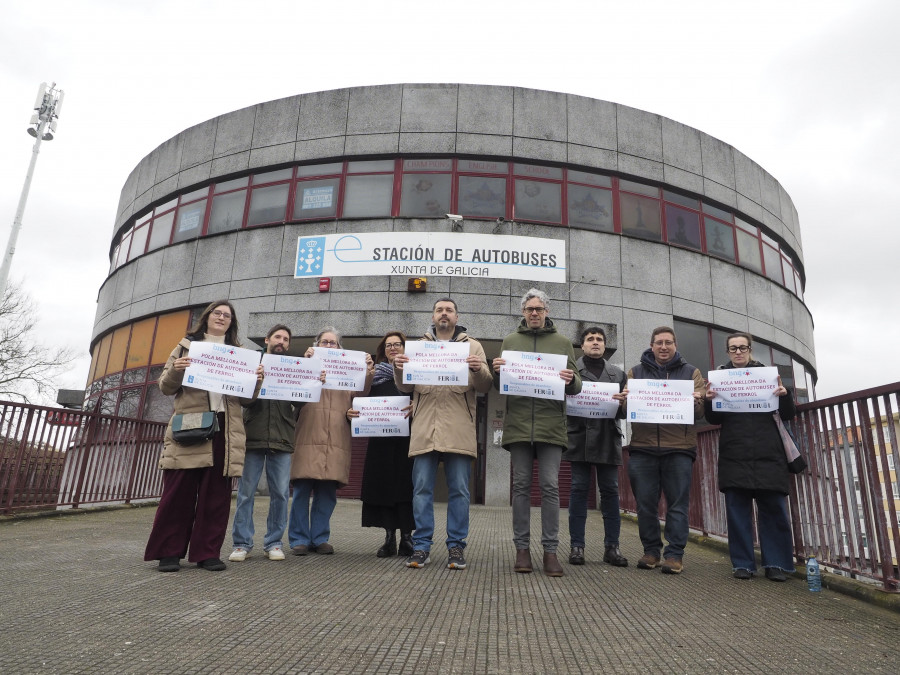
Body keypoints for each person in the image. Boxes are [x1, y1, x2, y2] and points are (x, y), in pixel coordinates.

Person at [144, 300, 261, 572]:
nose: (221, 318)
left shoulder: (240, 353)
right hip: (190, 424)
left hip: (225, 429)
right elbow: (165, 387)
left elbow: (247, 400)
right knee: (178, 493)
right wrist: (177, 370)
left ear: (231, 323)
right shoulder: (185, 346)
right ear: (207, 317)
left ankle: (207, 553)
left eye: (227, 315)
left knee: (216, 496)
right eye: (217, 313)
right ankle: (168, 553)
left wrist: (256, 380)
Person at [393, 298, 493, 570]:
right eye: (439, 310)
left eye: (449, 310)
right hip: (426, 428)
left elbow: (485, 385)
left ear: (456, 316)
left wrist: (478, 368)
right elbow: (405, 387)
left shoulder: (473, 346)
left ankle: (456, 547)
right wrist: (399, 367)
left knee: (459, 491)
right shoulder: (418, 346)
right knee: (421, 490)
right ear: (433, 316)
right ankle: (422, 546)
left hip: (458, 428)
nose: (444, 314)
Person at [492, 289, 582, 577]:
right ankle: (522, 550)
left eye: (539, 309)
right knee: (520, 487)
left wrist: (570, 379)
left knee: (550, 487)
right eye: (529, 309)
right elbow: (500, 384)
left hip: (551, 425)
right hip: (518, 425)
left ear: (547, 312)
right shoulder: (510, 341)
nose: (534, 313)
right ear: (522, 312)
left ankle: (551, 551)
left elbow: (577, 384)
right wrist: (497, 371)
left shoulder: (563, 343)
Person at [705, 332, 797, 581]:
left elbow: (788, 414)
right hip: (735, 453)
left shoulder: (768, 376)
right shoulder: (719, 379)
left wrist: (784, 394)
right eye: (733, 348)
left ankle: (776, 564)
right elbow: (714, 419)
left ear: (749, 350)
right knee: (737, 512)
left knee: (774, 510)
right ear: (727, 352)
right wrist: (708, 400)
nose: (737, 352)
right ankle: (743, 564)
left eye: (742, 347)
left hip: (768, 452)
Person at [625, 326, 704, 575]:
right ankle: (651, 552)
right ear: (651, 346)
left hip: (679, 447)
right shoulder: (635, 373)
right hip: (643, 447)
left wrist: (698, 401)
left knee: (677, 505)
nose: (663, 347)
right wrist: (626, 399)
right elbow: (625, 409)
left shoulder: (692, 373)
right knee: (645, 505)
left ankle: (674, 555)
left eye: (668, 342)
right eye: (659, 342)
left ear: (675, 345)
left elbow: (701, 414)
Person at [288, 327, 374, 555]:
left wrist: (367, 371)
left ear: (339, 347)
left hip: (336, 440)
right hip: (308, 437)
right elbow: (292, 395)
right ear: (316, 345)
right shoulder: (306, 366)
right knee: (301, 492)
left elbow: (362, 394)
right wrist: (306, 366)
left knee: (327, 494)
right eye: (324, 342)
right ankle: (298, 539)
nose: (328, 346)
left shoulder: (348, 373)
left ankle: (319, 538)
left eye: (332, 343)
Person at [229, 325, 303, 563]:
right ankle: (241, 544)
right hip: (253, 435)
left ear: (289, 345)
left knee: (281, 494)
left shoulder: (294, 368)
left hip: (282, 436)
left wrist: (314, 383)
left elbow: (299, 401)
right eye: (278, 337)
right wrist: (256, 379)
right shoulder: (252, 363)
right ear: (267, 339)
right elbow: (244, 401)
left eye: (286, 339)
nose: (281, 341)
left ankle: (274, 543)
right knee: (245, 494)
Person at [564, 326, 629, 567]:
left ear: (604, 345)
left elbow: (625, 412)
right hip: (578, 438)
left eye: (599, 339)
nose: (595, 342)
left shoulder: (618, 374)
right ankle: (576, 546)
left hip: (607, 438)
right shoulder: (571, 371)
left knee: (611, 493)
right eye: (590, 339)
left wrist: (625, 404)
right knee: (579, 491)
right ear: (582, 346)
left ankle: (612, 547)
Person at [350, 331, 415, 558]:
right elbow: (359, 401)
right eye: (388, 345)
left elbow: (426, 400)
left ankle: (408, 538)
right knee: (384, 488)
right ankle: (389, 539)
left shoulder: (415, 374)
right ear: (383, 350)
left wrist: (417, 404)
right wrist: (353, 413)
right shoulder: (373, 375)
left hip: (408, 442)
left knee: (406, 488)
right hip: (380, 443)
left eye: (398, 344)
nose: (393, 348)